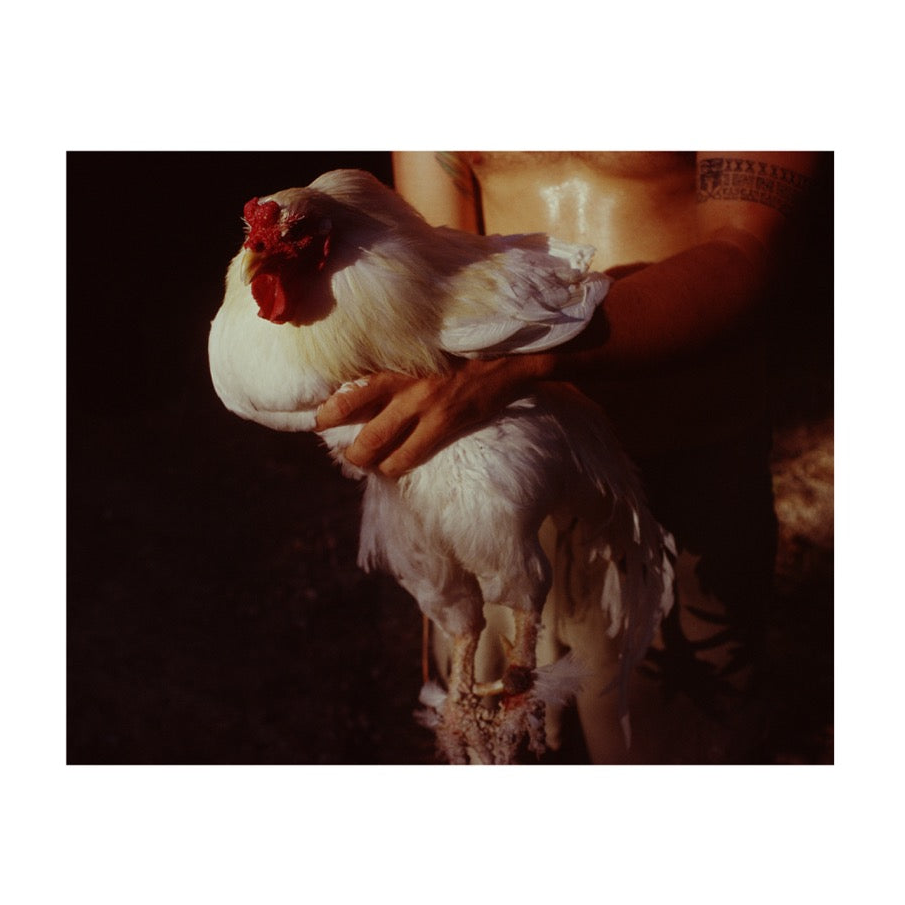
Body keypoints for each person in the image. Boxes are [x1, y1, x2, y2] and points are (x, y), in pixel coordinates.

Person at [316, 151, 818, 762]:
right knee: (500, 751)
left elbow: (747, 251)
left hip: (674, 472)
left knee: (673, 752)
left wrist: (531, 351)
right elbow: (431, 250)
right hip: (499, 468)